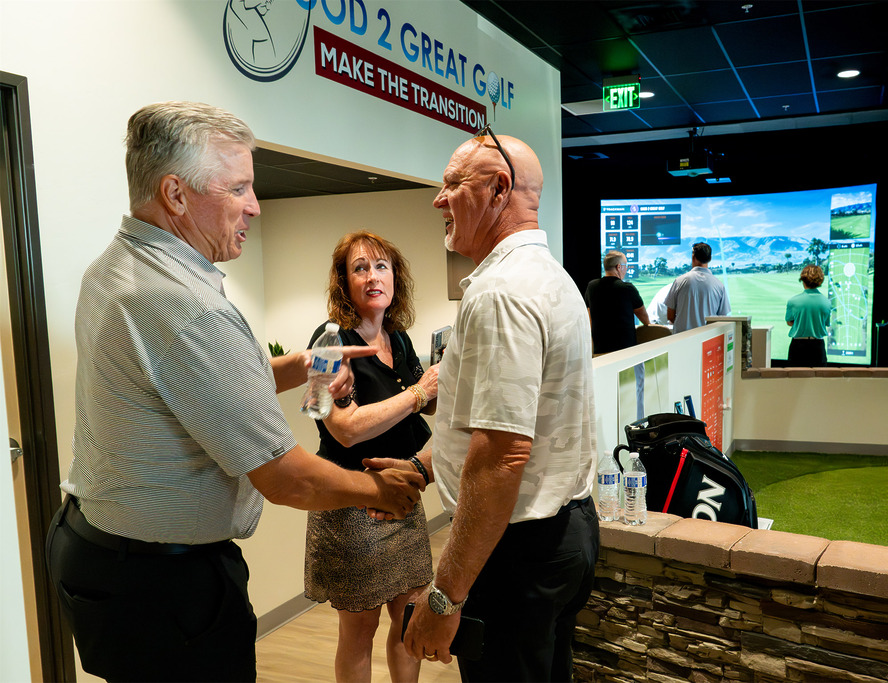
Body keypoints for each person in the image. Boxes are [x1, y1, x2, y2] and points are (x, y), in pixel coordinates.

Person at [44, 101, 424, 683]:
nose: (254, 206)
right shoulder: (187, 306)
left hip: (102, 554)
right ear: (175, 194)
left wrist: (298, 366)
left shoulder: (116, 265)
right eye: (239, 188)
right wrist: (382, 489)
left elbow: (196, 389)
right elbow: (285, 477)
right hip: (164, 585)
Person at [370, 127, 599, 681]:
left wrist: (444, 599)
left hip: (517, 551)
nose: (438, 199)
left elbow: (503, 456)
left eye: (452, 183)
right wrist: (424, 467)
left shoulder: (500, 293)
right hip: (559, 537)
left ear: (499, 189)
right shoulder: (550, 277)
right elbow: (503, 423)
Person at [304, 231, 439, 683]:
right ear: (344, 282)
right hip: (354, 503)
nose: (372, 276)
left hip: (404, 496)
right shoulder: (327, 343)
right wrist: (421, 393)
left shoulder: (397, 339)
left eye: (381, 267)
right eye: (359, 268)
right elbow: (343, 429)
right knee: (359, 632)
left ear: (395, 278)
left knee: (410, 622)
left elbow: (424, 402)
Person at [584, 250, 650, 354]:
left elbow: (589, 316)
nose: (626, 269)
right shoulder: (627, 288)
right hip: (625, 351)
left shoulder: (591, 286)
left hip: (600, 349)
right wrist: (649, 326)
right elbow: (643, 316)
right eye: (625, 266)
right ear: (619, 267)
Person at [665, 241, 731, 333]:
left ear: (693, 257)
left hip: (682, 340)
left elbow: (670, 316)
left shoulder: (679, 281)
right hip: (708, 341)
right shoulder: (719, 285)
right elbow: (722, 318)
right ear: (710, 258)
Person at [785, 264, 832, 366]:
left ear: (803, 280)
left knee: (795, 379)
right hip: (818, 346)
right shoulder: (827, 302)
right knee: (818, 380)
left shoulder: (793, 301)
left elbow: (789, 322)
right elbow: (826, 323)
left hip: (798, 347)